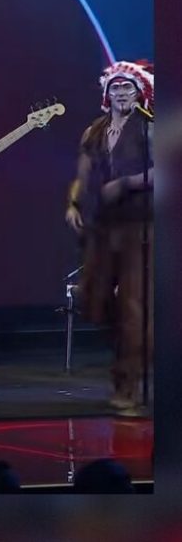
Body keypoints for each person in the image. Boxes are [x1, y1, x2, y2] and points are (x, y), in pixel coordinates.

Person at [65, 60, 154, 410]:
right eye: (115, 88)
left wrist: (127, 184)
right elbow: (83, 174)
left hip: (140, 228)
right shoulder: (95, 131)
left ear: (139, 92)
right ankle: (136, 354)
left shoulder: (149, 128)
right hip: (103, 228)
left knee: (133, 305)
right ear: (106, 93)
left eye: (127, 88)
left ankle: (127, 384)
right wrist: (73, 203)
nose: (120, 94)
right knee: (95, 299)